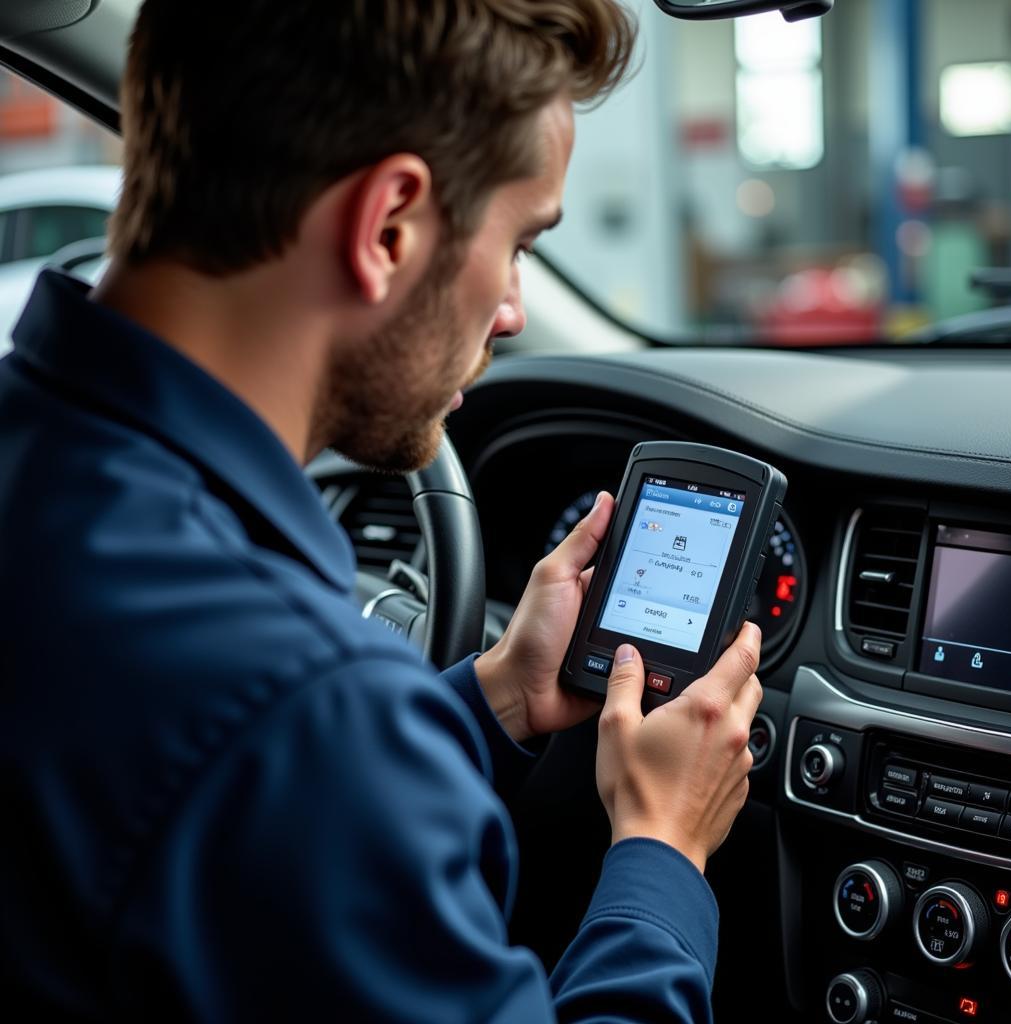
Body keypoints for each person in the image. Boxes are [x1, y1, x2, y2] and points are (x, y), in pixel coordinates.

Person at [0, 1, 762, 1020]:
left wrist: (490, 699)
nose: (513, 313)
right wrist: (662, 850)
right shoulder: (305, 716)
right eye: (521, 242)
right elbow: (288, 753)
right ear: (388, 225)